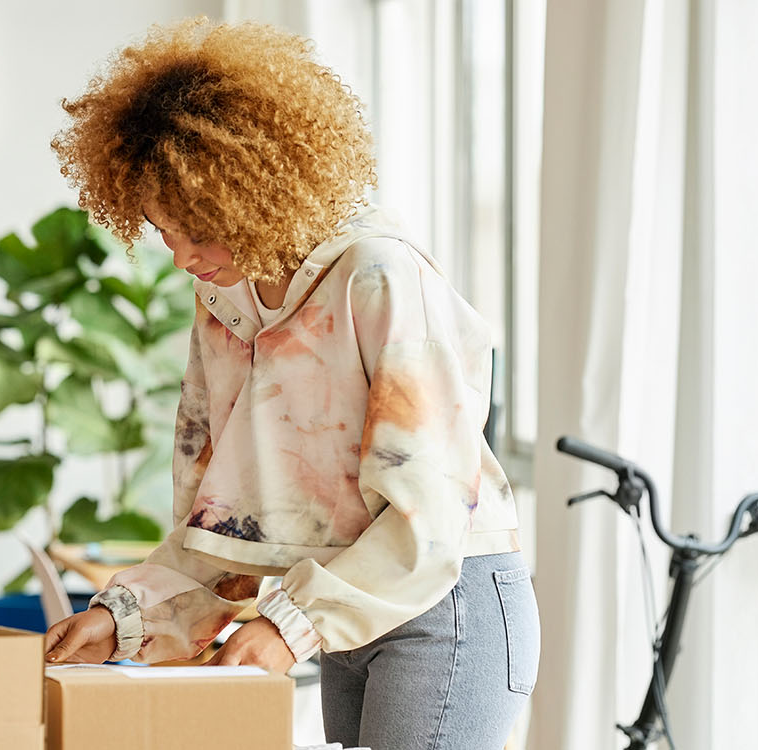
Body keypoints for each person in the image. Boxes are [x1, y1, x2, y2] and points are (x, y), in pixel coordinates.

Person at [41, 20, 539, 749]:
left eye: (198, 229)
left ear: (251, 193)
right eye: (162, 230)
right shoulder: (223, 306)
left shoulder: (378, 277)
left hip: (446, 602)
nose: (182, 258)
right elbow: (224, 520)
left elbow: (430, 514)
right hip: (339, 601)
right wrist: (126, 615)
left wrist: (293, 622)